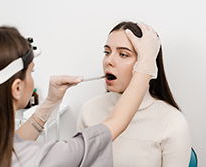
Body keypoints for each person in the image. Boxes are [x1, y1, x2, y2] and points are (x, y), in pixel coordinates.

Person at [0, 24, 160, 167]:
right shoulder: (40, 158)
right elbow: (114, 124)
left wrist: (50, 102)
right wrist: (146, 64)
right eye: (32, 72)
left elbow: (10, 148)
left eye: (123, 54)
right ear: (16, 89)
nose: (109, 60)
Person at [77, 21, 192, 167]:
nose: (109, 61)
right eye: (107, 52)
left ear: (148, 63)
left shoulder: (173, 123)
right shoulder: (89, 110)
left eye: (123, 54)